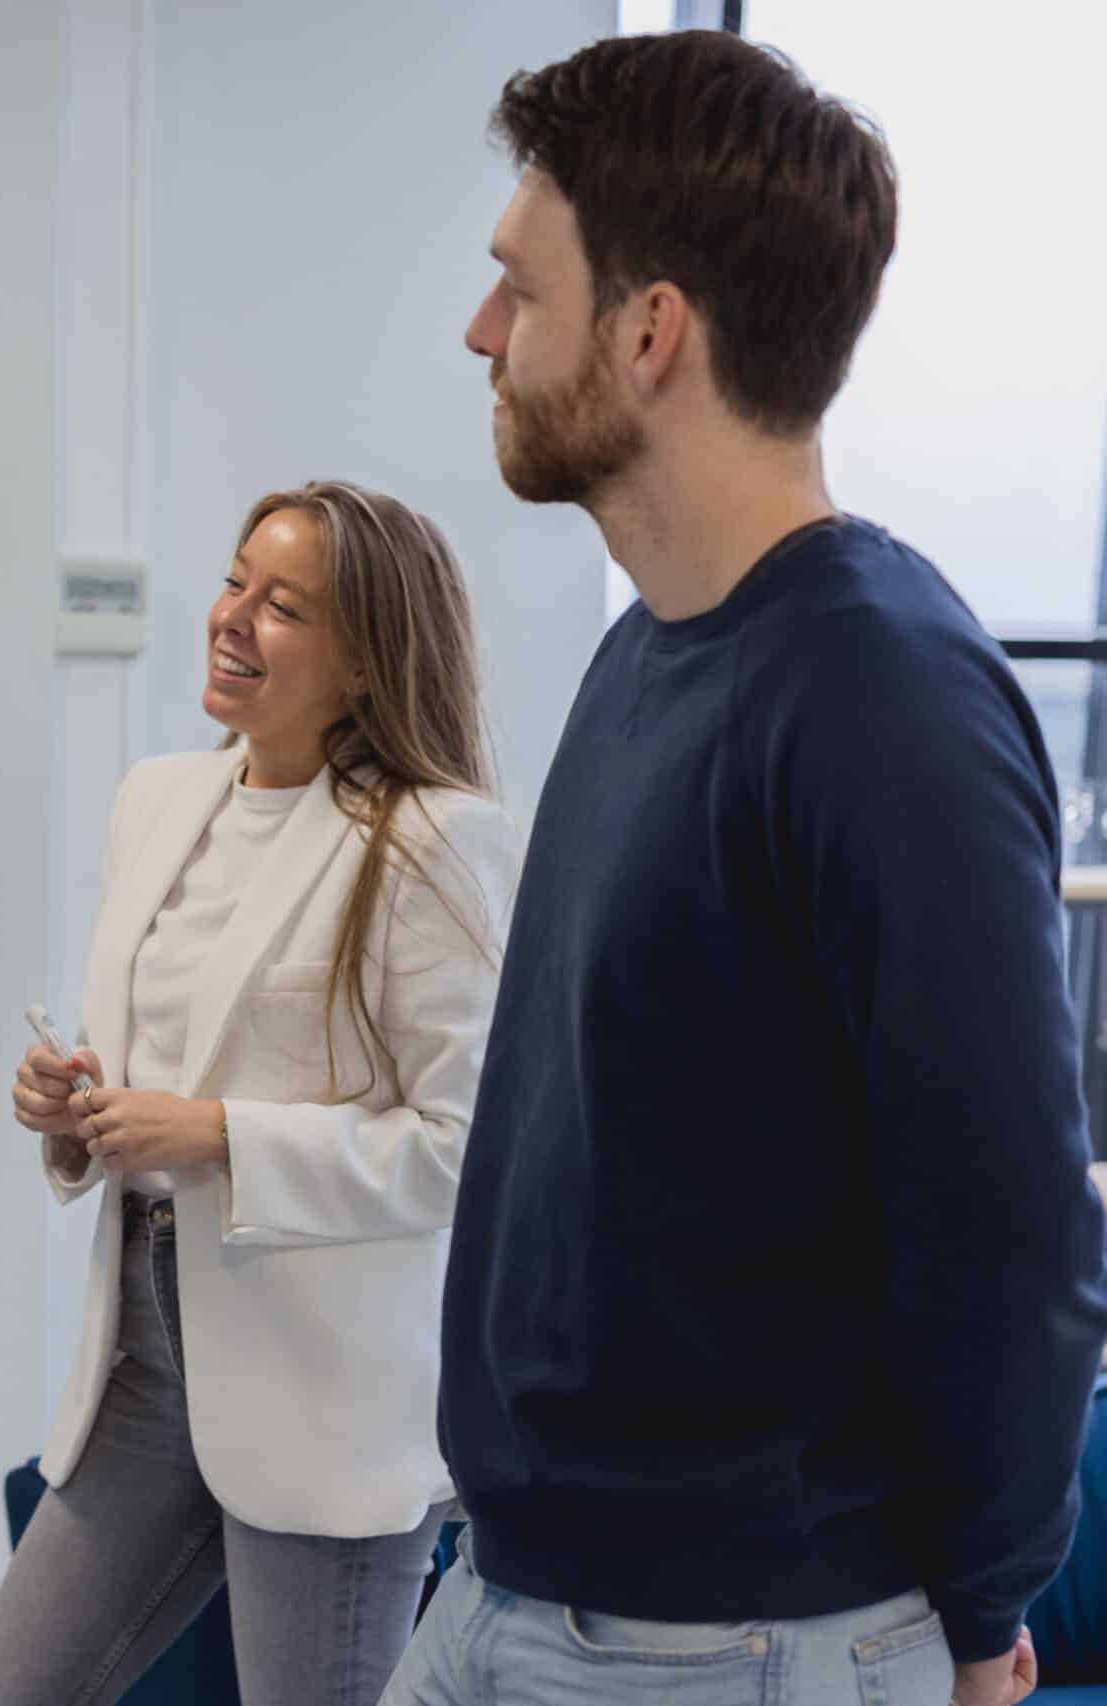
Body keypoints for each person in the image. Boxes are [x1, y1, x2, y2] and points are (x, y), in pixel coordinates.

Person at [389, 32, 1107, 1706]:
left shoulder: (885, 693)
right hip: (512, 1593)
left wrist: (982, 1611)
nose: (483, 330)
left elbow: (1008, 1236)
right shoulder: (646, 652)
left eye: (522, 289)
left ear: (650, 333)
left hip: (741, 1643)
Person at [0, 481, 517, 1705]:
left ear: (364, 659)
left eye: (284, 606)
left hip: (325, 1398)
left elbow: (464, 1144)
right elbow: (155, 1058)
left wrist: (216, 1134)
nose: (232, 617)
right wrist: (75, 1107)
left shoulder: (432, 840)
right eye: (233, 582)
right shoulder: (157, 799)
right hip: (142, 1359)